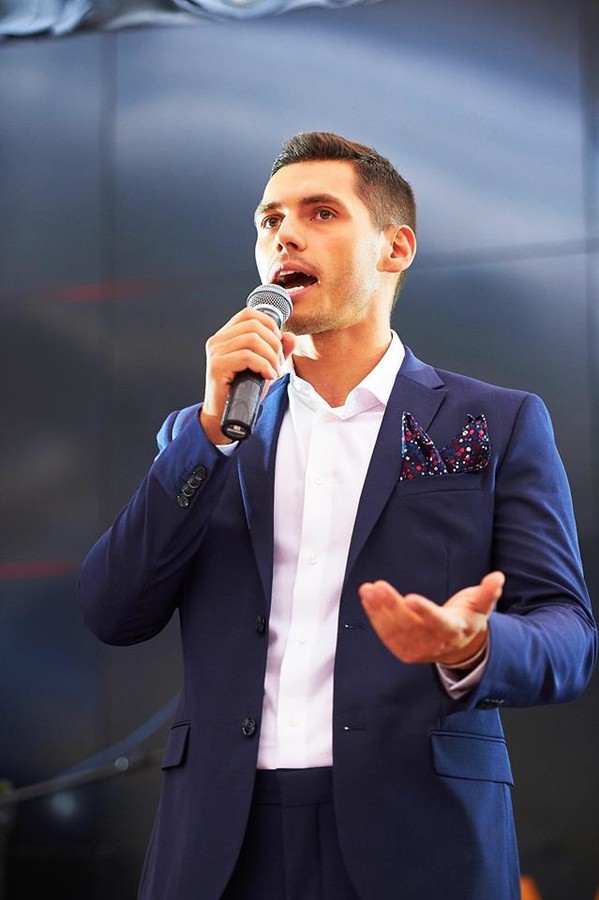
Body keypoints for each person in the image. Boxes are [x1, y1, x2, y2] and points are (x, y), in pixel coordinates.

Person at [79, 132, 597, 900]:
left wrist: (474, 644)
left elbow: (569, 634)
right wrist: (209, 439)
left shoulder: (495, 421)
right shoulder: (203, 435)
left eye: (320, 212)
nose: (284, 234)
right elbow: (112, 610)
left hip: (419, 832)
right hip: (220, 839)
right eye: (269, 220)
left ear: (395, 247)